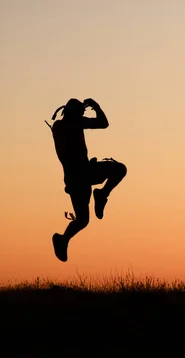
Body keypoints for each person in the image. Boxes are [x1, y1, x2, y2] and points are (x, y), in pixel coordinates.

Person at [47, 98, 127, 262]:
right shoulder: (67, 125)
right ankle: (101, 195)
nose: (82, 116)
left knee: (83, 220)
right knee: (119, 169)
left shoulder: (63, 125)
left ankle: (64, 239)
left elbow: (101, 124)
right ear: (72, 113)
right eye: (80, 113)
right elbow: (103, 123)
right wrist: (96, 106)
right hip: (81, 176)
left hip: (77, 178)